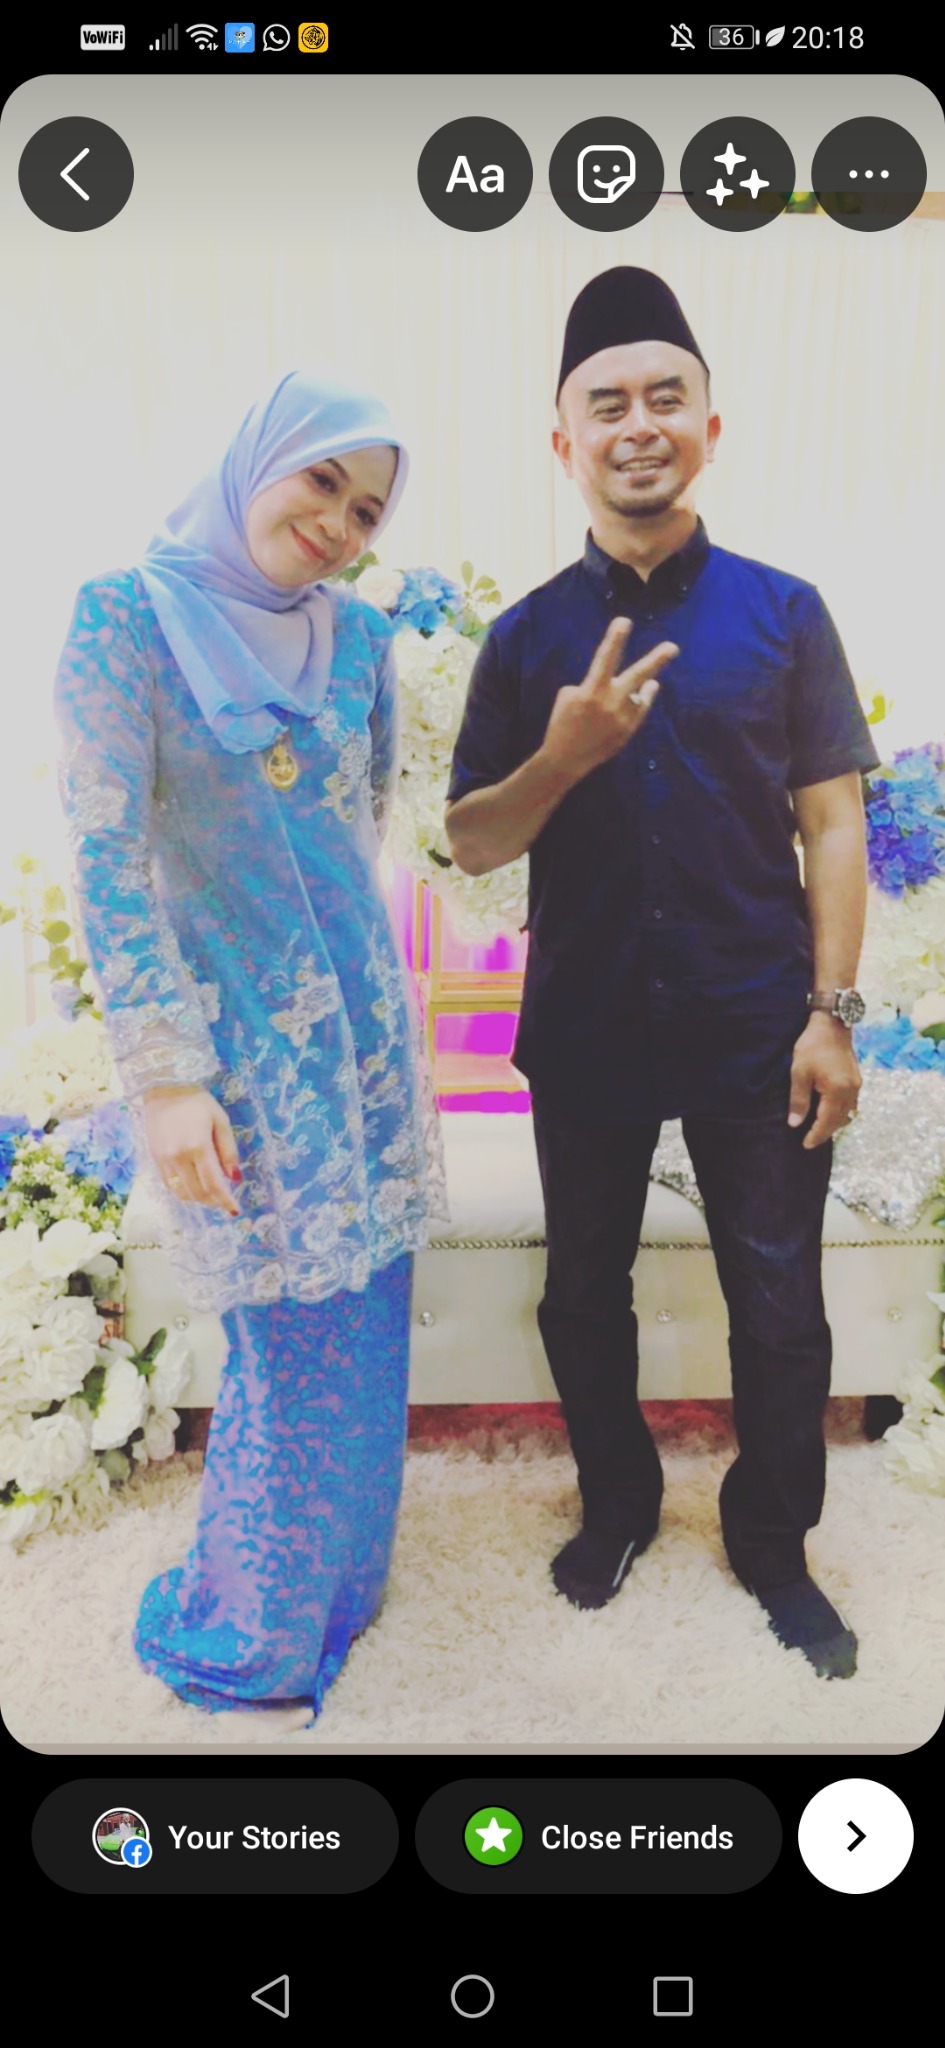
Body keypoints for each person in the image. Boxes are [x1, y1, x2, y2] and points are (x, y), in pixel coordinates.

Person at [446, 269, 878, 1680]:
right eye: (606, 404)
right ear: (562, 440)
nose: (637, 424)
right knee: (583, 1291)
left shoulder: (785, 613)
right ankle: (619, 1505)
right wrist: (560, 756)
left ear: (708, 424)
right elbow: (471, 840)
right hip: (582, 1020)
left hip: (759, 1019)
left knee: (781, 1305)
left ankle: (772, 1540)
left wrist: (832, 1014)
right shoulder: (524, 639)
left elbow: (831, 825)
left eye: (664, 397)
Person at [54, 374, 444, 1731]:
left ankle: (341, 1589)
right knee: (287, 1337)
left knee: (369, 1318)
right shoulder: (124, 615)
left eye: (368, 511)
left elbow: (362, 822)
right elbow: (106, 860)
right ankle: (257, 1631)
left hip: (367, 1032)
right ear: (254, 463)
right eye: (321, 480)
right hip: (228, 1049)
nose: (338, 523)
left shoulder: (361, 639)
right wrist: (166, 1077)